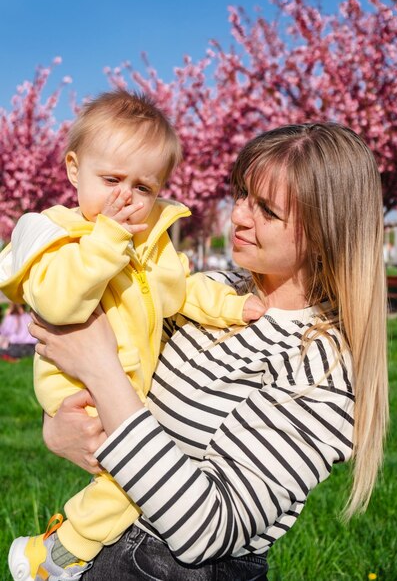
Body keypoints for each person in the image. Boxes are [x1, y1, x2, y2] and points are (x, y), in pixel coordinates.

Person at [16, 123, 388, 580]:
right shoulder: (210, 293)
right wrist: (56, 427)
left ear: (326, 233)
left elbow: (207, 531)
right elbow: (102, 372)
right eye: (243, 194)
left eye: (267, 210)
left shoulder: (322, 369)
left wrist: (99, 367)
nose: (238, 216)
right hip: (104, 549)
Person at [1, 90, 265, 580]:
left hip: (126, 380)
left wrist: (232, 306)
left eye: (143, 187)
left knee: (134, 479)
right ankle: (54, 557)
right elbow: (60, 302)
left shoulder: (151, 243)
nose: (125, 198)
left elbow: (180, 291)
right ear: (74, 170)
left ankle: (61, 550)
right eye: (111, 179)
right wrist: (107, 242)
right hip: (74, 382)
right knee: (129, 483)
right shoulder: (57, 236)